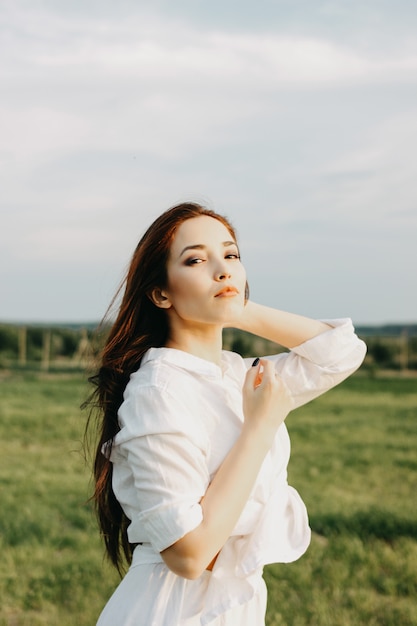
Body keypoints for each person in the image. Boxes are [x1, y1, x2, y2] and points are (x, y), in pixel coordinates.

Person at [86, 202, 366, 626]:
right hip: (173, 611)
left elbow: (340, 353)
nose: (222, 269)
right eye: (196, 259)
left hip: (234, 607)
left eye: (231, 256)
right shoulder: (158, 390)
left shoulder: (235, 374)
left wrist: (239, 307)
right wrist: (260, 427)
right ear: (161, 293)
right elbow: (188, 553)